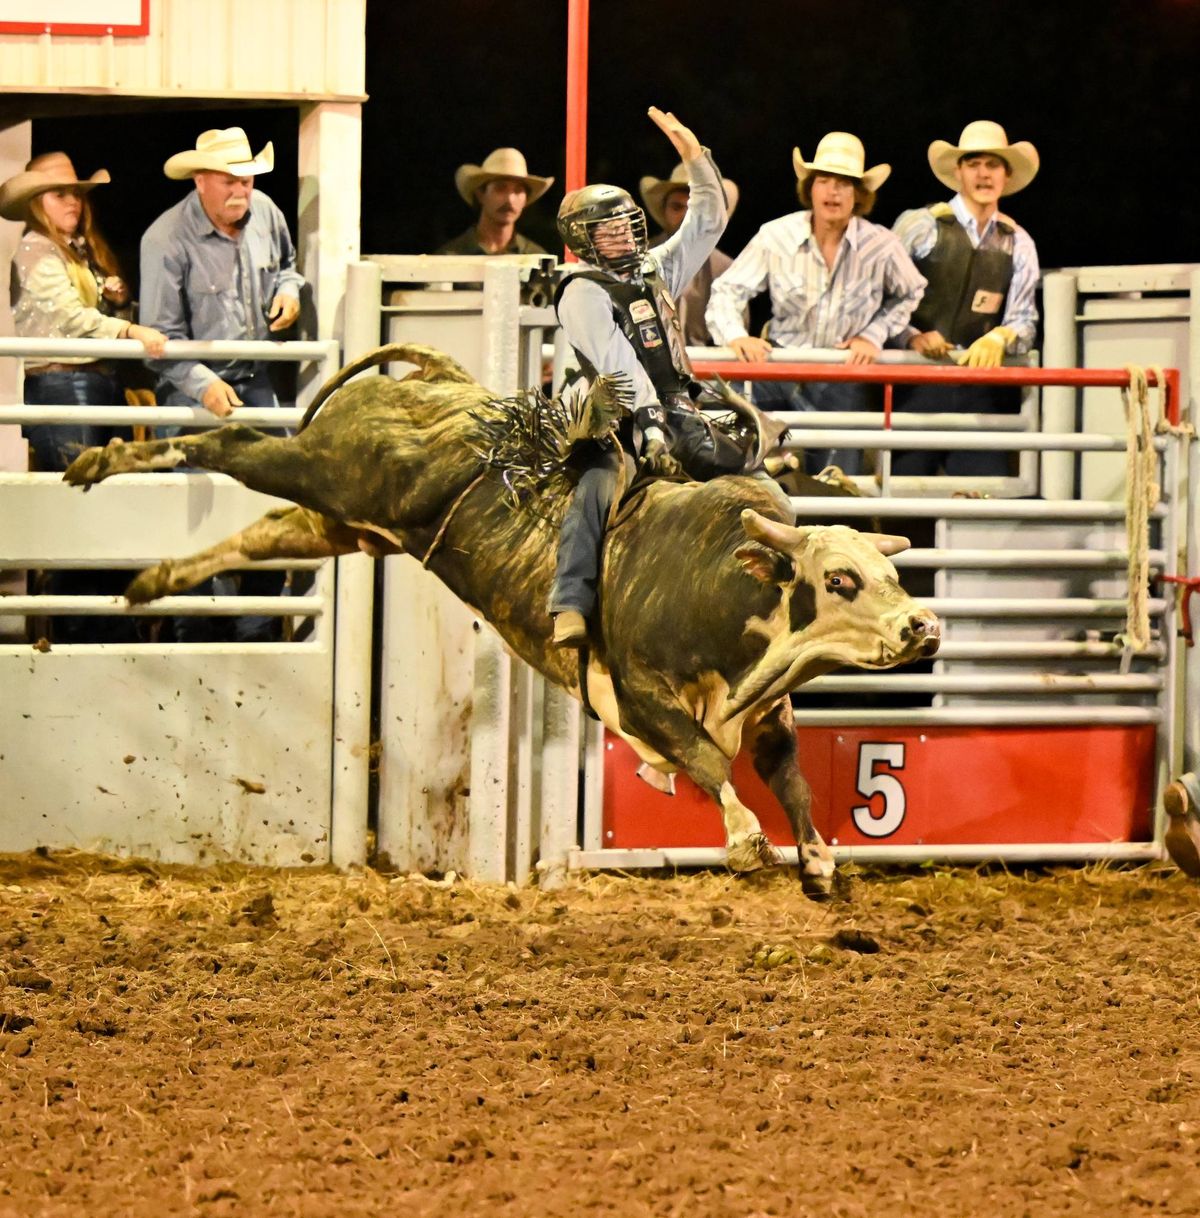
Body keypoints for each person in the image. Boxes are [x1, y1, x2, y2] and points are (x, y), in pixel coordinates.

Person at [550, 107, 781, 649]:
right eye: (609, 230)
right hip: (613, 412)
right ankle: (570, 602)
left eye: (628, 224)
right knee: (599, 484)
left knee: (755, 471)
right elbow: (617, 363)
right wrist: (652, 423)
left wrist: (695, 158)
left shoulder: (656, 267)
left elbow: (707, 220)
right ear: (584, 239)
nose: (625, 235)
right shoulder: (582, 289)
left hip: (678, 404)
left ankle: (773, 574)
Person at [139, 127, 306, 641]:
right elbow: (161, 338)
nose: (243, 191)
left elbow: (288, 268)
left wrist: (290, 290)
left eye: (249, 180)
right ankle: (196, 631)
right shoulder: (165, 238)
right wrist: (203, 382)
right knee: (194, 516)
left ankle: (256, 626)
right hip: (190, 390)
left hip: (254, 380)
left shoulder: (268, 215)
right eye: (231, 181)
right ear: (201, 180)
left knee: (269, 499)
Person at [1, 152, 167, 643]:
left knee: (100, 503)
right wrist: (130, 326)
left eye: (76, 193)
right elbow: (72, 321)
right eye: (61, 194)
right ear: (37, 204)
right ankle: (79, 628)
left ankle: (98, 626)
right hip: (64, 381)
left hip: (91, 382)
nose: (73, 201)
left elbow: (84, 316)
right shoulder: (37, 250)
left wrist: (118, 303)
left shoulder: (76, 252)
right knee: (80, 503)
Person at [705, 132, 926, 475]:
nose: (832, 191)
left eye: (844, 183)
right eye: (823, 180)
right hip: (777, 364)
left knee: (838, 477)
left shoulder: (881, 245)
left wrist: (874, 334)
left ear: (859, 194)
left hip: (841, 373)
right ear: (810, 188)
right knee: (726, 439)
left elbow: (911, 291)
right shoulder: (776, 235)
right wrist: (736, 336)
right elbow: (727, 290)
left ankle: (834, 519)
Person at [890, 120, 1041, 477]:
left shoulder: (1018, 241)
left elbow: (1024, 320)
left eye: (993, 165)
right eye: (974, 164)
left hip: (977, 390)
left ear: (1006, 175)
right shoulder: (922, 225)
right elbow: (880, 299)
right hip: (915, 383)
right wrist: (911, 335)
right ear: (958, 171)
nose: (983, 174)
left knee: (983, 497)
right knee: (901, 498)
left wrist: (1002, 335)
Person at [639, 161, 739, 345]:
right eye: (677, 207)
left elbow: (735, 333)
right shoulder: (637, 260)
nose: (686, 217)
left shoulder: (725, 268)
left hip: (707, 368)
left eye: (695, 209)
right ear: (664, 211)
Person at [436, 148, 553, 255]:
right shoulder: (451, 256)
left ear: (525, 200)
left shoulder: (535, 258)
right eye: (500, 188)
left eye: (518, 191)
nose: (510, 199)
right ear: (480, 194)